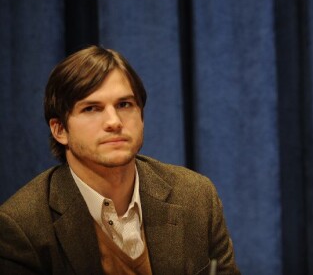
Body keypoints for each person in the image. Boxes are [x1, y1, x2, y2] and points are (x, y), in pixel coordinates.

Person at [0, 45, 241, 274]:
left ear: (142, 117)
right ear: (60, 129)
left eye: (124, 104)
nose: (114, 121)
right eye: (91, 108)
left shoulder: (196, 196)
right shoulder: (22, 226)